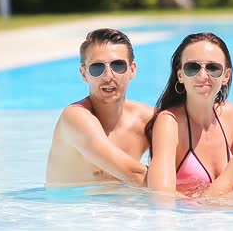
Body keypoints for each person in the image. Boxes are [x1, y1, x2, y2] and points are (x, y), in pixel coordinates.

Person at [145, 32, 233, 196]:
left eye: (213, 68)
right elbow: (162, 195)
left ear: (226, 76)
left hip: (228, 217)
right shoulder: (170, 123)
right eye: (192, 68)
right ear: (180, 75)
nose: (203, 75)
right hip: (188, 218)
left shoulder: (229, 115)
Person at [46, 28, 153, 188]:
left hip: (123, 207)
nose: (108, 76)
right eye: (97, 67)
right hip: (71, 210)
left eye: (118, 66)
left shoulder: (148, 120)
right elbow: (134, 175)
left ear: (132, 69)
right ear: (84, 73)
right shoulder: (75, 117)